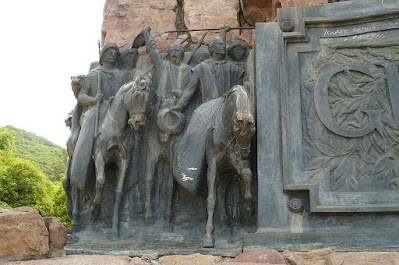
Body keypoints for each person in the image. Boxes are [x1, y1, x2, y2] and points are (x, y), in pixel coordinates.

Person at [69, 43, 124, 195]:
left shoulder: (120, 74)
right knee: (87, 124)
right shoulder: (94, 74)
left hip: (114, 110)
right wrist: (94, 100)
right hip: (97, 110)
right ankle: (82, 160)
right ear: (103, 55)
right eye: (110, 52)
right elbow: (82, 96)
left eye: (115, 52)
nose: (113, 54)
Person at [173, 26, 244, 110]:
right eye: (220, 44)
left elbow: (240, 92)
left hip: (227, 110)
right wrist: (180, 106)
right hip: (207, 110)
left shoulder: (234, 69)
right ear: (211, 48)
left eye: (224, 44)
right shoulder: (200, 69)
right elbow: (189, 90)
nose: (224, 46)